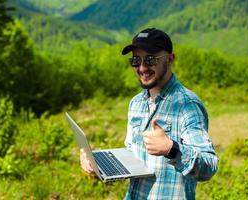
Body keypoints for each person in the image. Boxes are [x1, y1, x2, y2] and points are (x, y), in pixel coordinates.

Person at [80, 28, 218, 199]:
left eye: (150, 59)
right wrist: (100, 165)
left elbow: (209, 166)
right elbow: (133, 154)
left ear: (170, 59)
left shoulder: (187, 104)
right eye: (136, 61)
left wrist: (171, 149)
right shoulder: (136, 103)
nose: (142, 68)